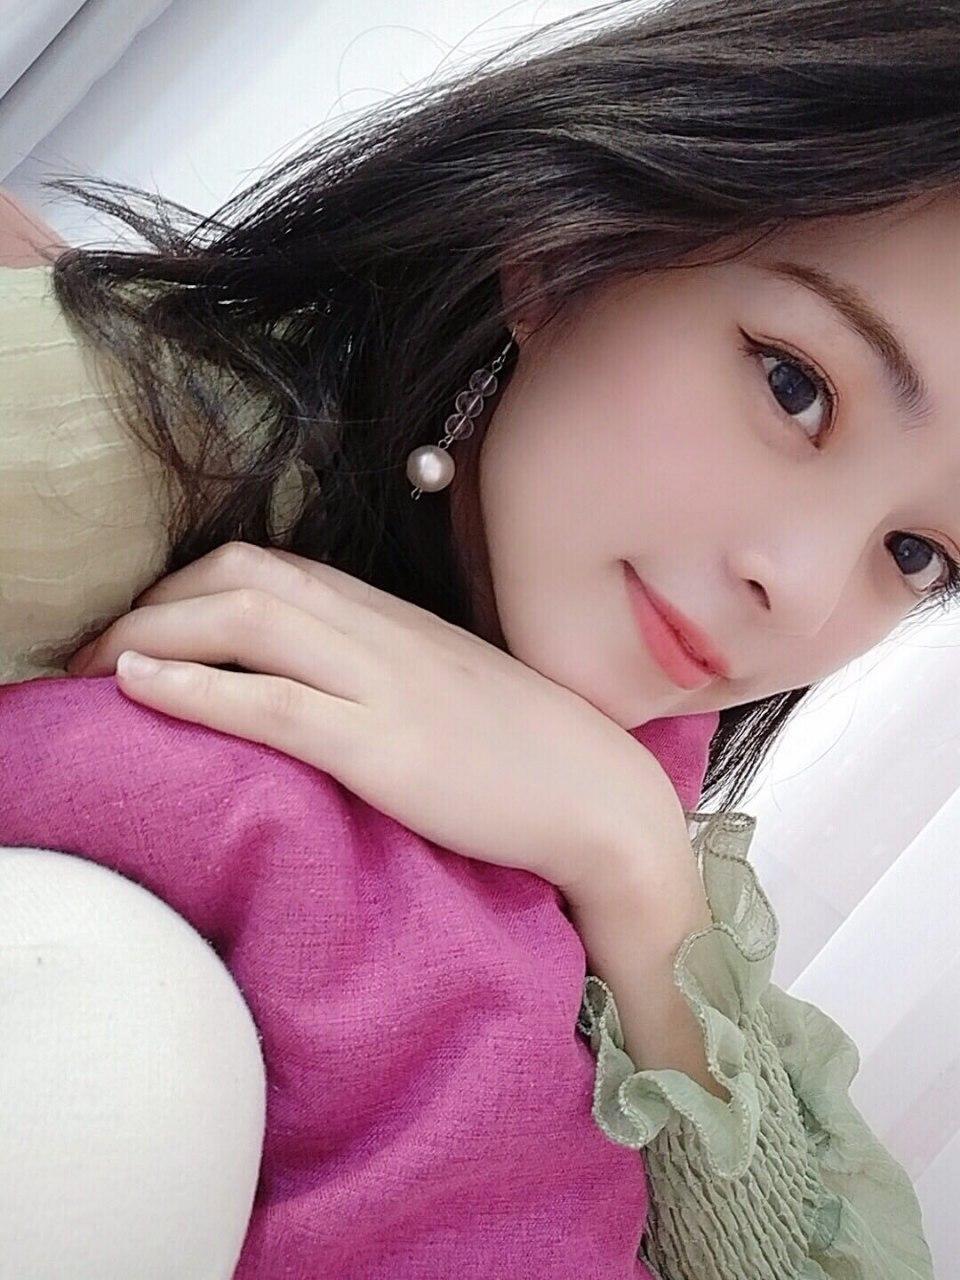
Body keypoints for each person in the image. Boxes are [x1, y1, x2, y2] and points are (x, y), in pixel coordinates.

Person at [0, 0, 953, 1274]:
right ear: (567, 253)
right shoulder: (117, 443)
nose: (801, 587)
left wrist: (633, 864)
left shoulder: (641, 823)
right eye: (797, 385)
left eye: (916, 553)